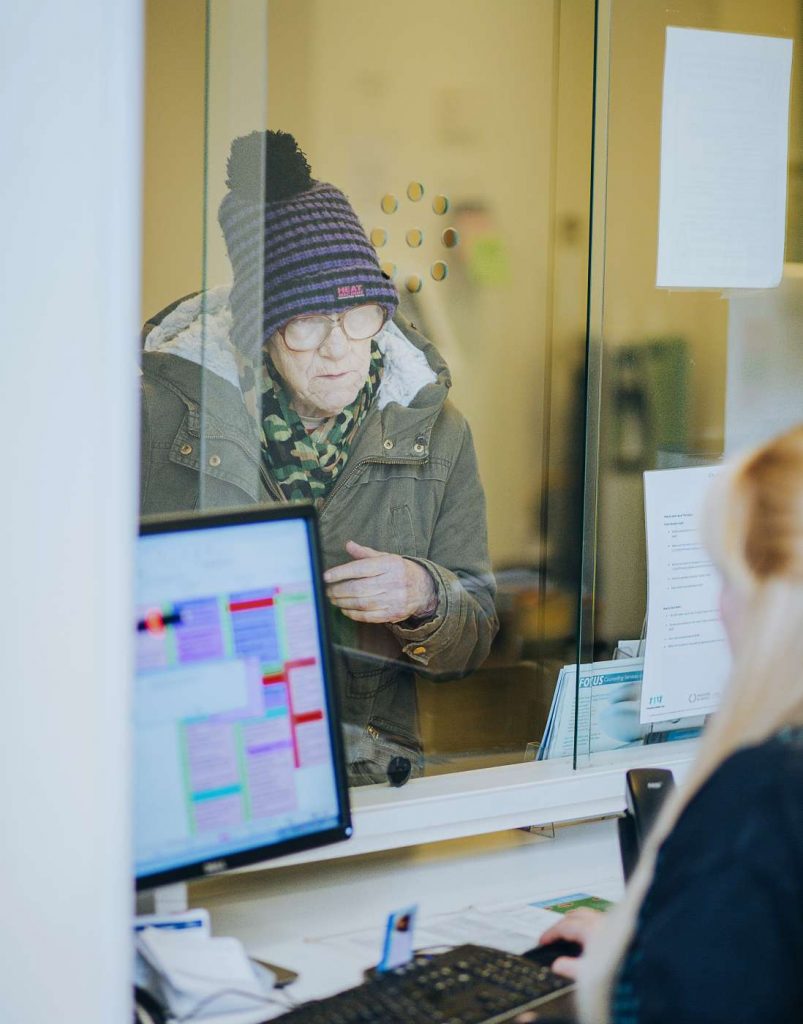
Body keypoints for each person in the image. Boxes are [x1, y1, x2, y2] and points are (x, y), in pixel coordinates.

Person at [140, 130, 498, 784]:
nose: (338, 349)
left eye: (359, 315)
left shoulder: (436, 431)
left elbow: (473, 636)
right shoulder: (156, 419)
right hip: (209, 772)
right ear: (260, 332)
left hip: (370, 778)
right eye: (306, 323)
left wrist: (425, 595)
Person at [537, 424, 803, 1023]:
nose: (719, 607)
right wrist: (668, 943)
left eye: (729, 579)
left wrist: (634, 978)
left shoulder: (766, 792)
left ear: (780, 601)